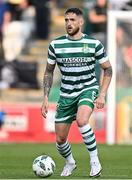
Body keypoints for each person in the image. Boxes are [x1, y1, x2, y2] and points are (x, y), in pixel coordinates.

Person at [41, 7, 112, 178]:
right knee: (59, 140)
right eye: (66, 20)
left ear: (81, 22)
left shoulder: (94, 44)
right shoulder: (55, 45)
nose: (69, 23)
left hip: (88, 88)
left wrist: (102, 94)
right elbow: (49, 72)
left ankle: (95, 161)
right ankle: (70, 162)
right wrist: (45, 98)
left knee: (82, 120)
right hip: (66, 94)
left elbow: (108, 70)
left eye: (72, 20)